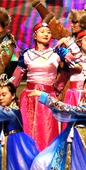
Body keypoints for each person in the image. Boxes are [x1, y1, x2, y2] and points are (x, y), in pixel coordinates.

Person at [10, 21, 70, 150]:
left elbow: (67, 71)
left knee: (47, 129)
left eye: (48, 32)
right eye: (42, 32)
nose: (46, 34)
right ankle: (28, 155)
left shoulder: (56, 53)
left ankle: (45, 156)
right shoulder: (27, 53)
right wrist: (9, 90)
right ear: (35, 36)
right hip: (29, 97)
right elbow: (17, 75)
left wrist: (57, 89)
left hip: (47, 97)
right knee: (28, 128)